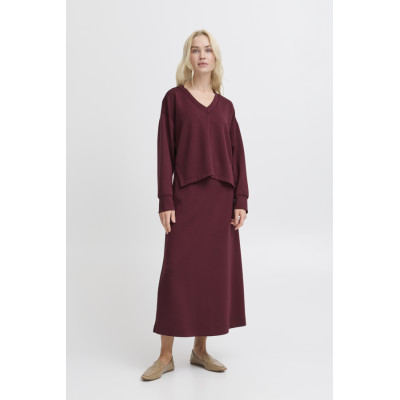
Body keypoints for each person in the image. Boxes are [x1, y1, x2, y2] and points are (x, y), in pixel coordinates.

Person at [141, 29, 249, 381]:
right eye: (195, 50)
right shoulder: (173, 99)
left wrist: (241, 200)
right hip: (186, 199)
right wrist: (166, 199)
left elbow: (238, 156)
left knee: (211, 275)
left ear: (215, 58)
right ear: (188, 57)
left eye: (208, 50)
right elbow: (164, 151)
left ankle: (200, 350)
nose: (202, 55)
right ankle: (165, 355)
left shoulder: (226, 107)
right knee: (176, 274)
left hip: (220, 203)